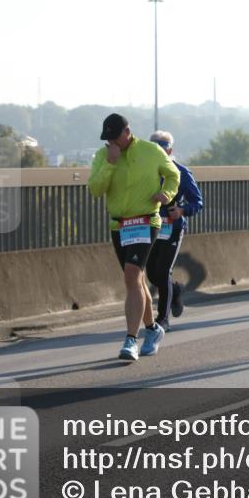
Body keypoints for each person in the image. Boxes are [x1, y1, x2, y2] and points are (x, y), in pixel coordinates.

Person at [88, 113, 180, 361]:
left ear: (127, 132)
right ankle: (152, 329)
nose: (111, 143)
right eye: (107, 139)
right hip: (119, 225)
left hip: (146, 221)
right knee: (135, 281)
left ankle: (130, 339)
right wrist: (110, 163)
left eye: (114, 137)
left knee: (132, 274)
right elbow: (95, 189)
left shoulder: (151, 151)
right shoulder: (103, 156)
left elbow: (174, 175)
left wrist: (166, 193)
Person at [146, 131, 204, 328]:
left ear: (170, 150)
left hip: (172, 228)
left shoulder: (181, 172)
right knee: (152, 273)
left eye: (162, 149)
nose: (158, 153)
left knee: (162, 271)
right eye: (153, 149)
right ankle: (176, 291)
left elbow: (198, 202)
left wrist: (182, 210)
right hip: (150, 227)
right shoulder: (145, 173)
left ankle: (162, 319)